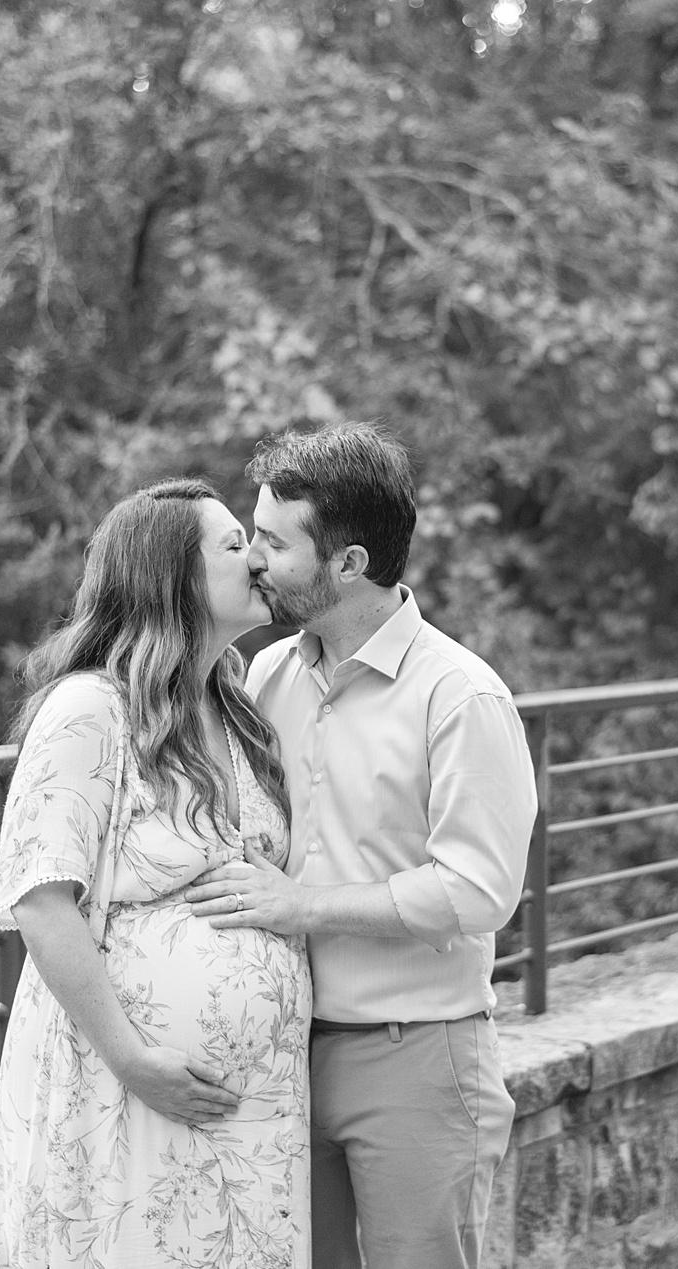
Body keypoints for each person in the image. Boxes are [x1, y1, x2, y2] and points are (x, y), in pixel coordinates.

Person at [185, 424, 538, 1269]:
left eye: (274, 540)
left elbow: (480, 891)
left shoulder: (460, 696)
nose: (255, 560)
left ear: (347, 563)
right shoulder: (265, 676)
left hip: (415, 1055)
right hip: (286, 1060)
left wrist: (303, 906)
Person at [0, 477, 311, 1269]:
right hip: (123, 1095)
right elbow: (38, 899)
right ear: (173, 577)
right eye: (236, 544)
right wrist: (135, 1058)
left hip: (254, 1121)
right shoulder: (88, 710)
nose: (260, 558)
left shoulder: (234, 705)